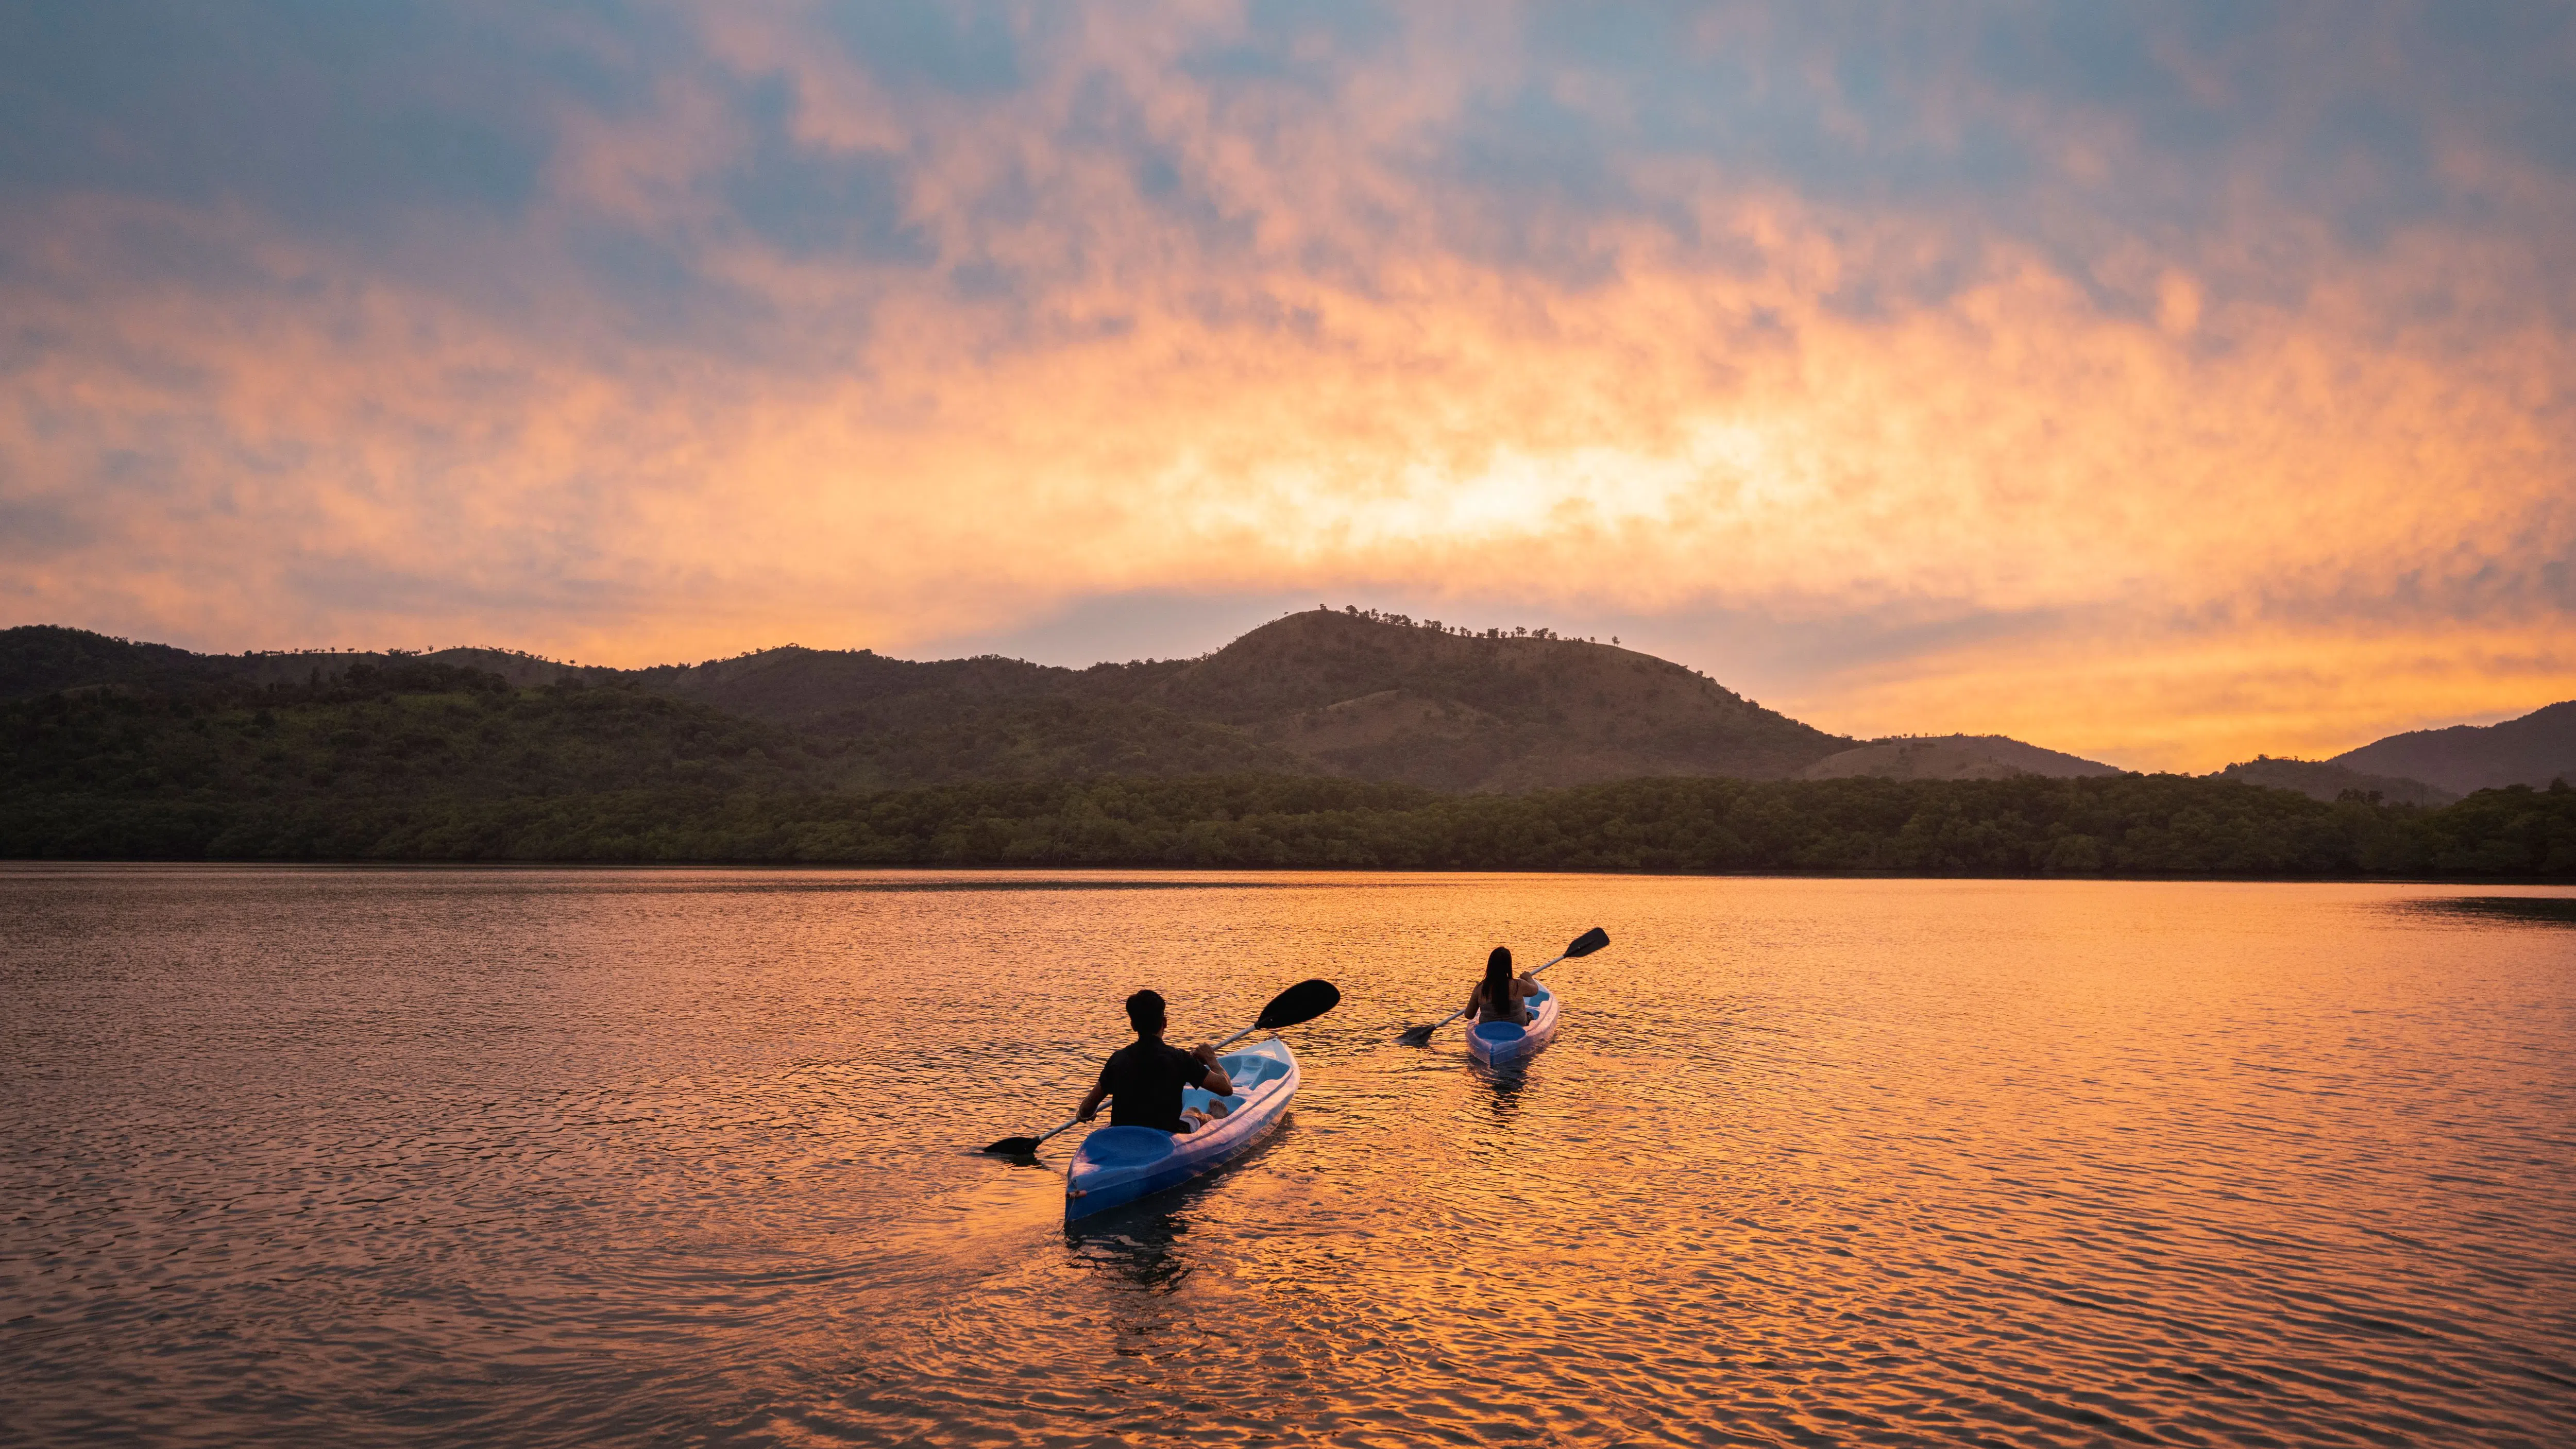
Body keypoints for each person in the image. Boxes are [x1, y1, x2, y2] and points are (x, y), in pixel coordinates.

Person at [1077, 989, 1236, 1135]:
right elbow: (1226, 1088)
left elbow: (1086, 1109)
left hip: (1124, 1137)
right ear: (1165, 1023)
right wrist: (1211, 1059)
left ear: (1133, 1026)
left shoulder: (1117, 1060)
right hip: (1167, 1137)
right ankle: (1215, 1117)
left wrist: (1088, 1114)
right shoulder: (1180, 1059)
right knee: (1195, 1112)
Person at [1463, 946, 1540, 1027]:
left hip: (1488, 1030)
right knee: (1529, 1014)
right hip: (1517, 1029)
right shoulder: (1519, 985)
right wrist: (1528, 977)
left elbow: (1469, 1015)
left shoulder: (1480, 988)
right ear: (1508, 966)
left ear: (1490, 965)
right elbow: (1535, 990)